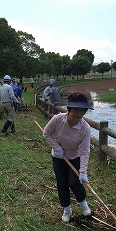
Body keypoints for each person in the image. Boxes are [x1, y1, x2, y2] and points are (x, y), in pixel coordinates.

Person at [43, 91, 94, 223]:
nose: (79, 114)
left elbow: (84, 151)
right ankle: (67, 209)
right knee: (62, 183)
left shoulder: (85, 128)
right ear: (69, 108)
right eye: (76, 109)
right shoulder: (57, 120)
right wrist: (57, 147)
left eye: (83, 110)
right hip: (58, 158)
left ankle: (83, 204)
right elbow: (46, 133)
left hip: (74, 157)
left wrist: (83, 172)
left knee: (74, 181)